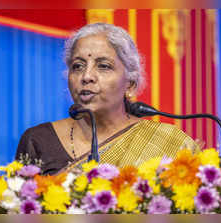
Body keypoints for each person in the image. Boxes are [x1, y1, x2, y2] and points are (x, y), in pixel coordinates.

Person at [15, 23, 199, 175]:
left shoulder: (169, 142)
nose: (86, 76)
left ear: (130, 83)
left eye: (103, 66)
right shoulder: (38, 140)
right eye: (77, 66)